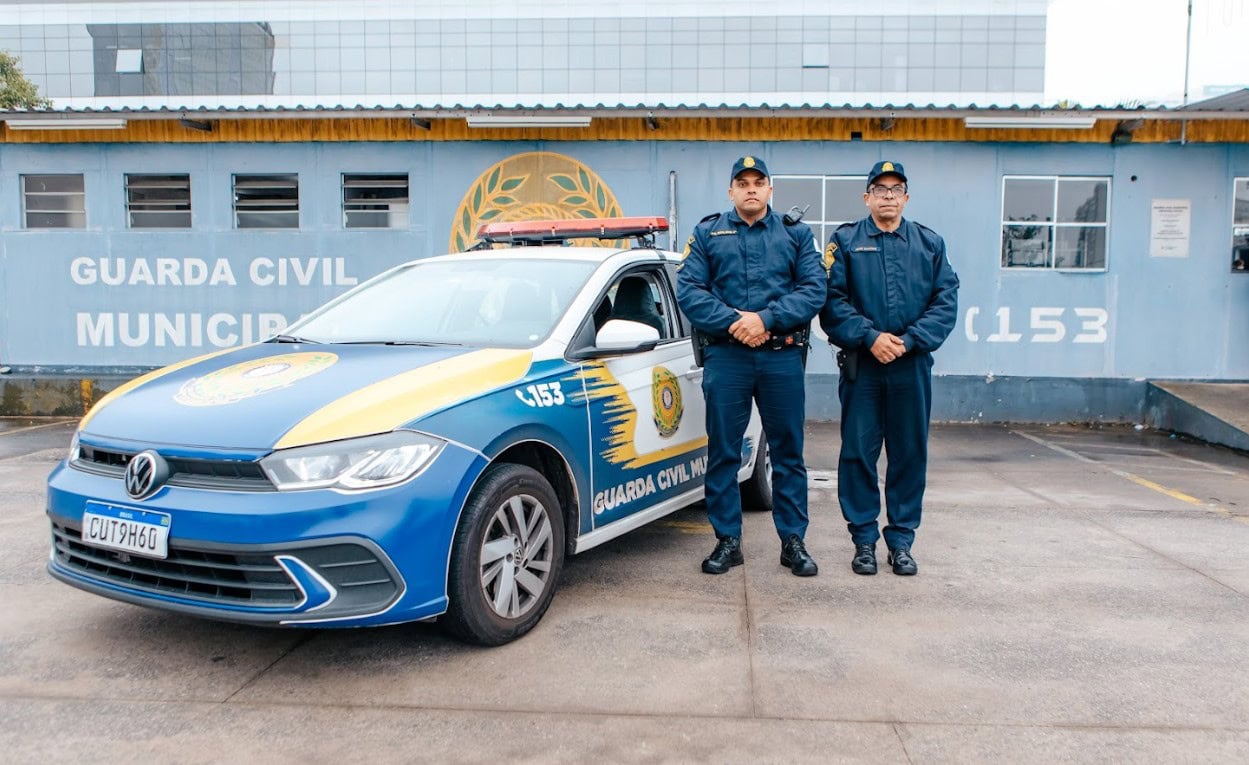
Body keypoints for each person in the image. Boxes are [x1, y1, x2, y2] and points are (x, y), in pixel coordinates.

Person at [677, 156, 827, 577]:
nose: (751, 189)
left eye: (758, 182)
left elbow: (815, 289)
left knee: (788, 452)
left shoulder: (795, 235)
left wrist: (767, 319)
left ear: (770, 189)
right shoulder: (708, 233)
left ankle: (793, 541)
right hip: (728, 357)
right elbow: (688, 289)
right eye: (742, 183)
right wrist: (735, 322)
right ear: (731, 191)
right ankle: (727, 541)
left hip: (781, 356)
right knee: (723, 450)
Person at [819, 160, 959, 576]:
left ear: (906, 198)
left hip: (910, 366)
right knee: (858, 454)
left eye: (896, 189)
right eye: (880, 189)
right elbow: (831, 300)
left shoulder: (929, 245)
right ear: (867, 197)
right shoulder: (844, 242)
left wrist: (909, 340)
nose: (888, 196)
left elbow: (945, 301)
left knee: (908, 455)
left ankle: (900, 542)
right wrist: (869, 337)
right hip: (863, 365)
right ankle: (863, 541)